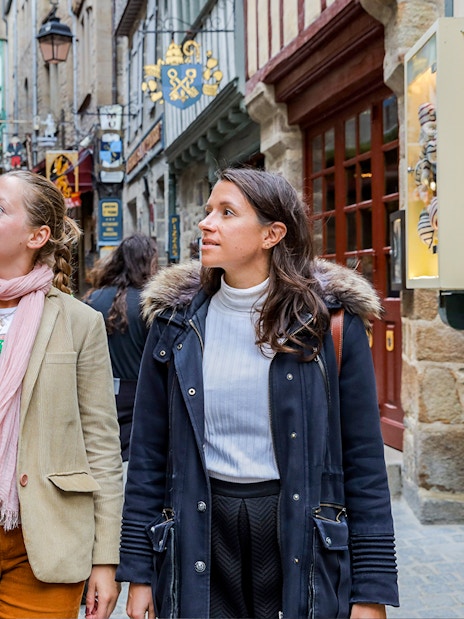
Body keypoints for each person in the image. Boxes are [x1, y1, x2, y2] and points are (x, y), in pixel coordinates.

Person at [116, 168, 399, 619]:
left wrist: (371, 589)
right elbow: (148, 455)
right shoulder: (175, 325)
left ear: (272, 233)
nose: (207, 223)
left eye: (227, 212)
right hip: (200, 531)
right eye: (208, 211)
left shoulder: (331, 327)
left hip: (296, 535)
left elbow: (363, 463)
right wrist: (139, 572)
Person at [0, 170, 123, 619]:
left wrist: (106, 561)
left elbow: (103, 447)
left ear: (38, 235)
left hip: (47, 541)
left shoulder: (79, 322)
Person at [83, 233, 158, 461]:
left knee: (101, 456)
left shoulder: (92, 300)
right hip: (140, 396)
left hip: (96, 392)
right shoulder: (149, 305)